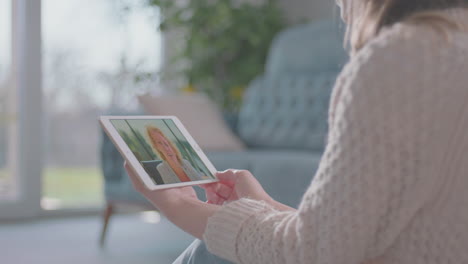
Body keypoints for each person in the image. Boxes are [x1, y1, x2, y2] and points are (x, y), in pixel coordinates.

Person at [125, 0, 468, 263]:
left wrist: (180, 208)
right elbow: (353, 243)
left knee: (210, 253)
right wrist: (266, 206)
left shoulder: (401, 58)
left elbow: (314, 255)